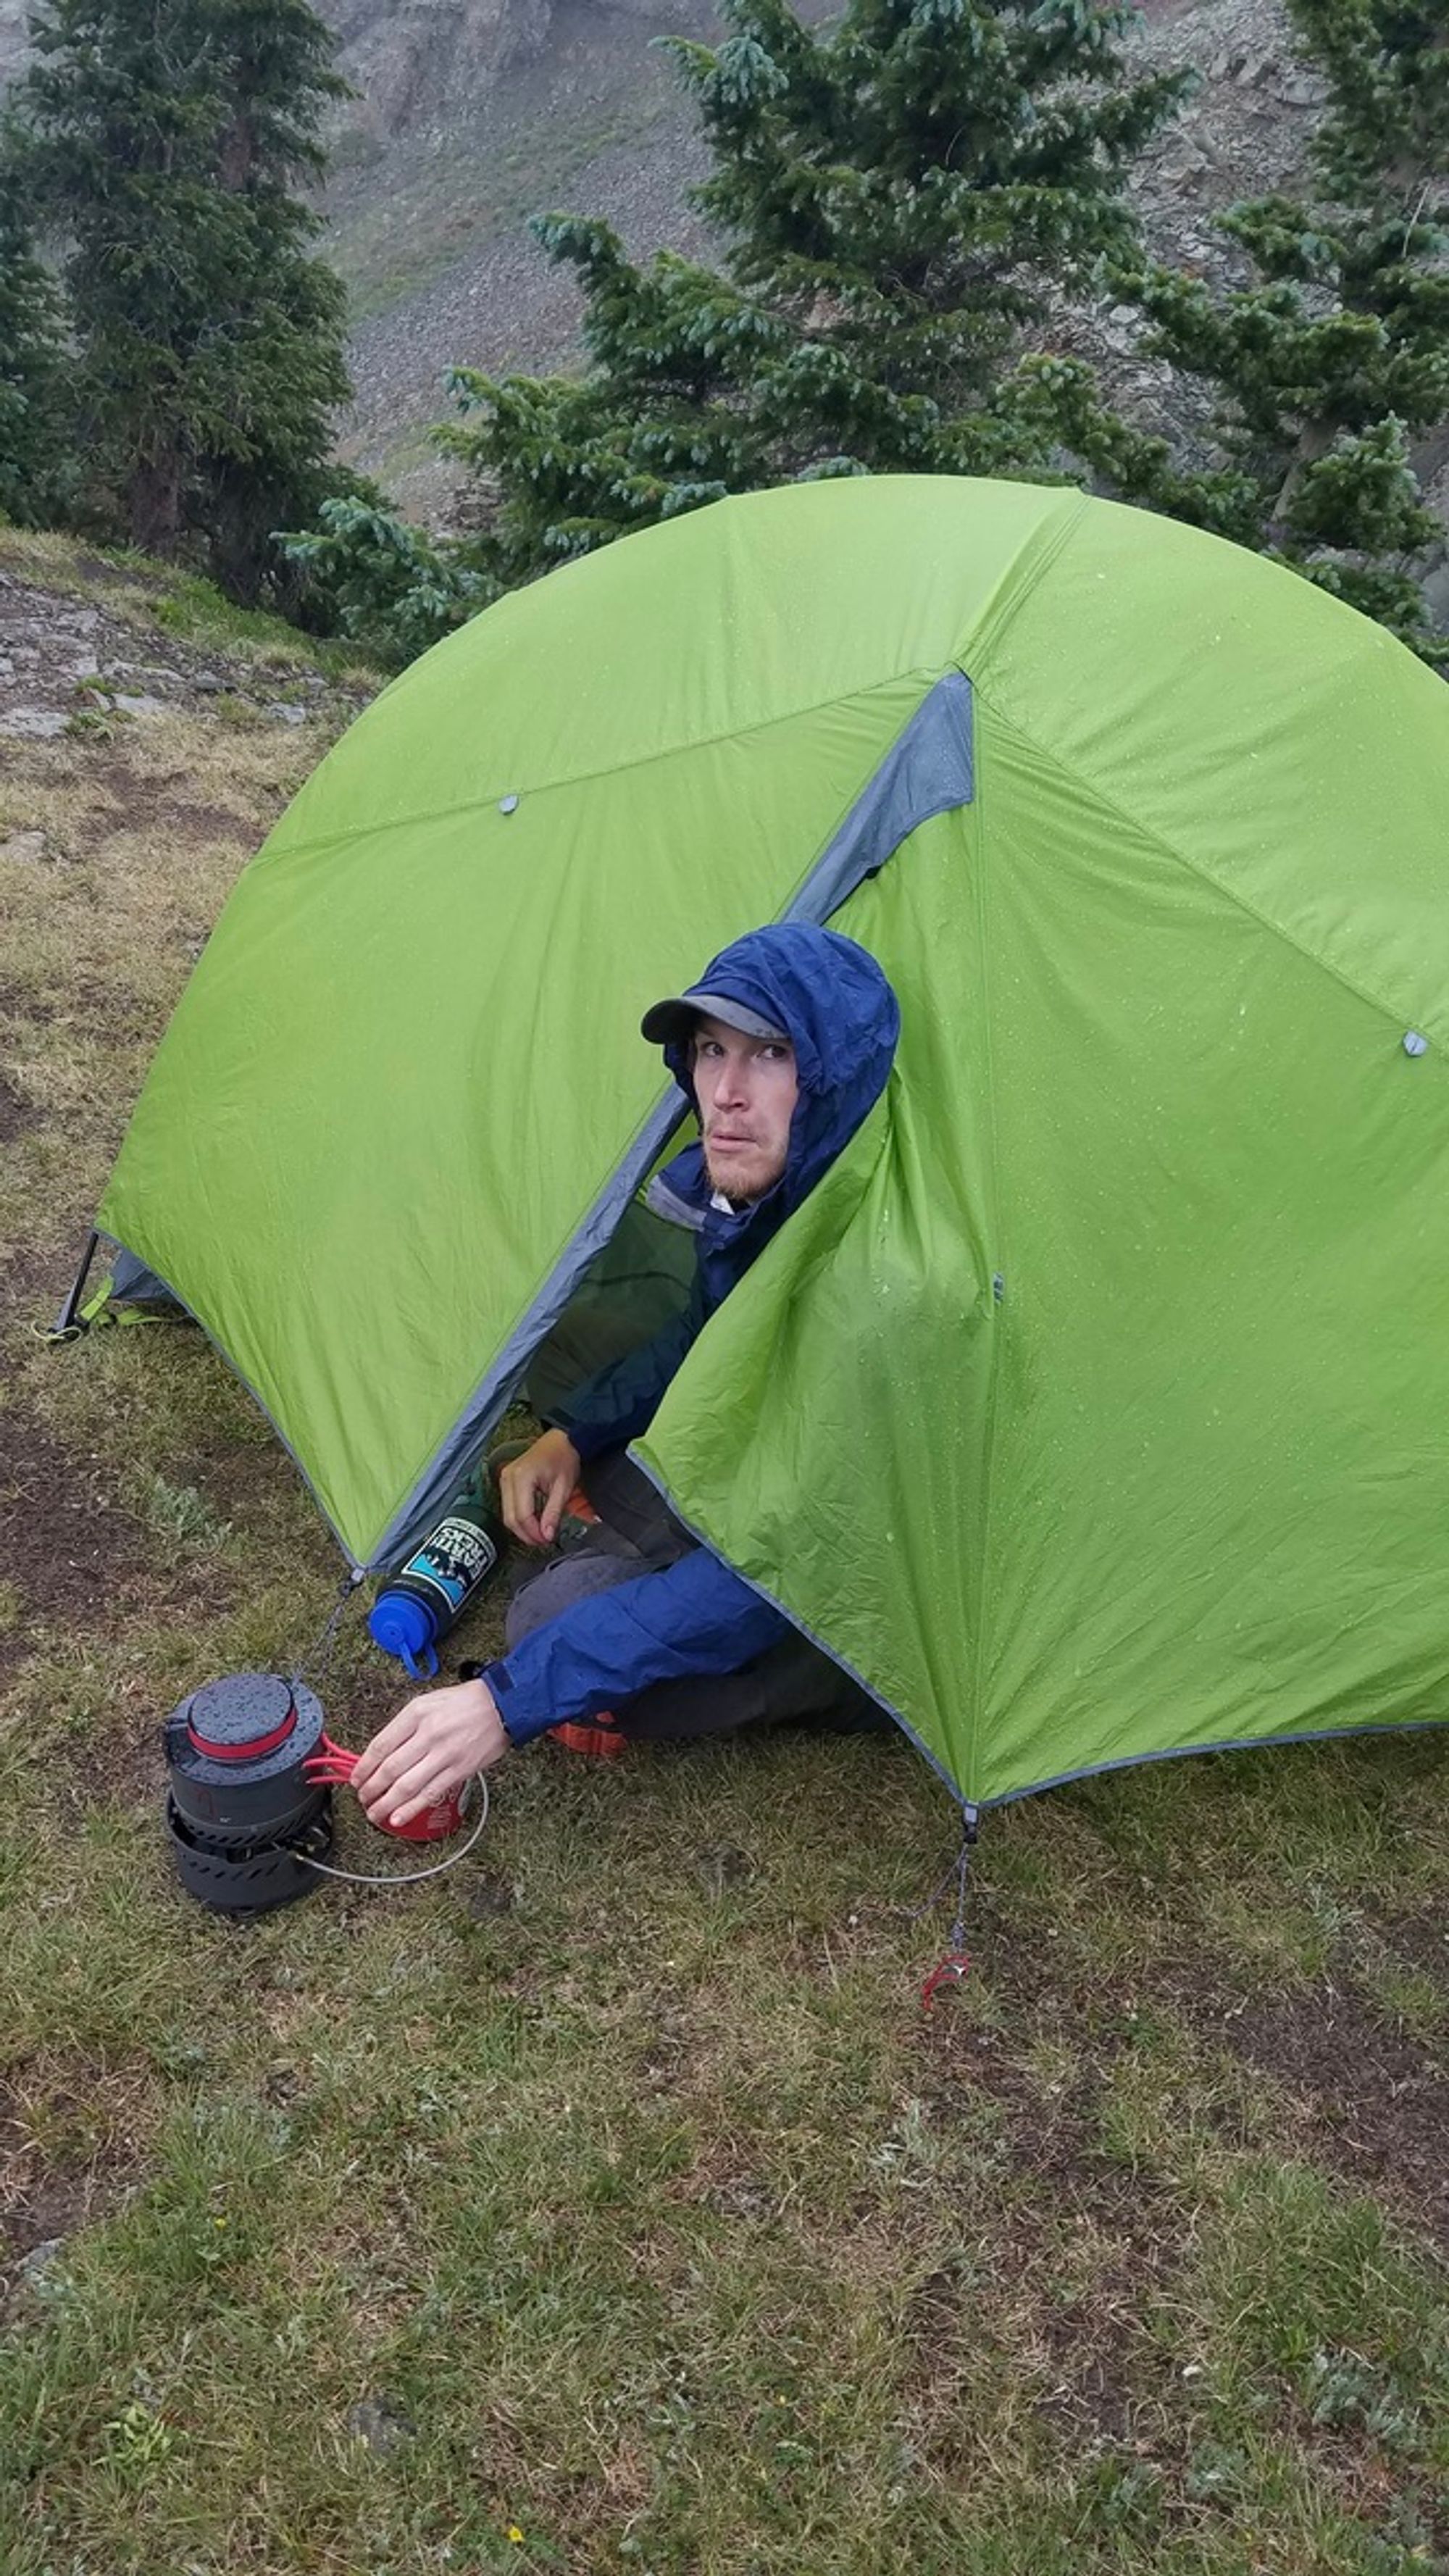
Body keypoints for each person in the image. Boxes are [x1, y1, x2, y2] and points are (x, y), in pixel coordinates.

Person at [354, 922, 900, 1832]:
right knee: (568, 1508)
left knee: (559, 1636)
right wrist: (575, 1432)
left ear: (834, 1073)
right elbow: (702, 1336)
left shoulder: (885, 1284)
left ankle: (811, 1681)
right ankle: (617, 1582)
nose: (724, 1093)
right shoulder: (773, 1193)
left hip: (850, 1568)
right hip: (772, 1468)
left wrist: (505, 1703)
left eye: (770, 1053)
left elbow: (790, 1556)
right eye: (710, 1051)